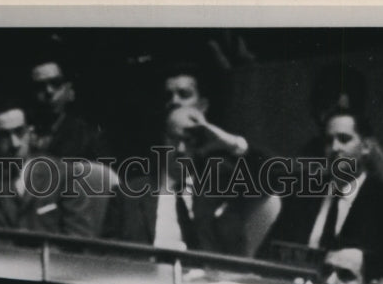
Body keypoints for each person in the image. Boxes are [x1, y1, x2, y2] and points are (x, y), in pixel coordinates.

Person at [101, 104, 266, 256]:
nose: (180, 149)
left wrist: (230, 142)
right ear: (163, 139)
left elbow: (282, 175)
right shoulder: (127, 194)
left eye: (188, 141)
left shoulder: (223, 190)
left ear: (203, 144)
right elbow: (106, 258)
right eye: (173, 139)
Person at [261, 109, 383, 264]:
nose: (334, 147)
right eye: (329, 141)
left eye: (344, 139)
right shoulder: (302, 192)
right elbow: (269, 253)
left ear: (366, 147)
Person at [0, 97, 111, 237]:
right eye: (3, 136)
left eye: (19, 132)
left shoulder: (63, 174)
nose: (15, 143)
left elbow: (79, 239)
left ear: (30, 131)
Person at [27, 56, 109, 161]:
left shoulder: (88, 137)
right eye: (39, 86)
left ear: (70, 91)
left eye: (56, 83)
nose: (49, 91)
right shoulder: (18, 135)